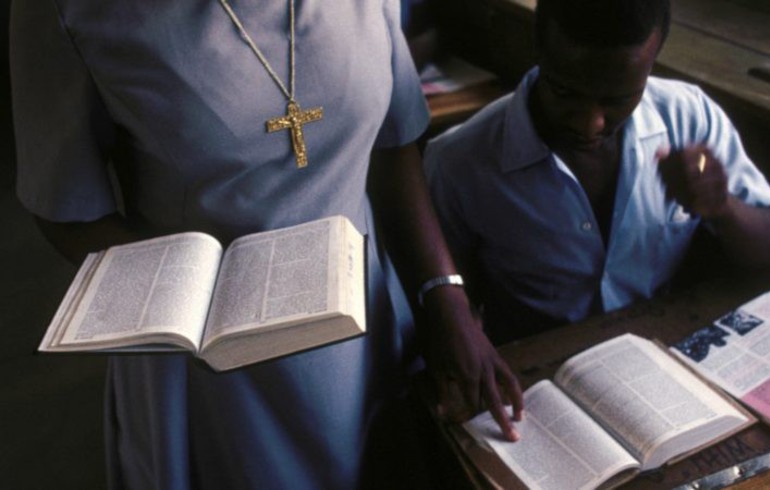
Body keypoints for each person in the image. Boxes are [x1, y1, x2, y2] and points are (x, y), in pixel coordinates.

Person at [11, 0, 523, 487]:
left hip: (365, 316)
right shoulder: (66, 10)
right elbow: (66, 210)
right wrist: (190, 304)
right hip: (212, 362)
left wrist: (444, 295)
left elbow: (392, 147)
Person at [423, 0, 770, 431]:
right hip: (540, 388)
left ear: (653, 59)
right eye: (566, 91)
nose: (590, 124)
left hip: (668, 373)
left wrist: (724, 207)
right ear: (539, 46)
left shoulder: (688, 117)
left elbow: (763, 252)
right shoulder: (459, 163)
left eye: (619, 99)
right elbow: (452, 310)